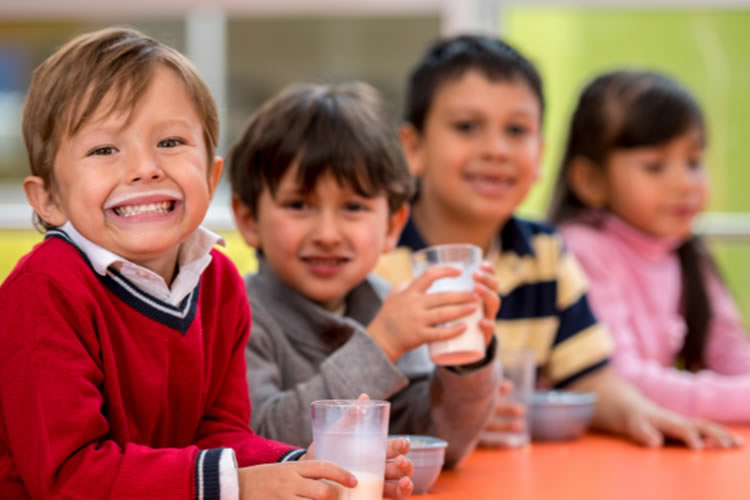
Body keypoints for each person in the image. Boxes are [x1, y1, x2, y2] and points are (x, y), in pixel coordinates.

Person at [0, 27, 412, 499]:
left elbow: (220, 435)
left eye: (171, 142)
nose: (145, 167)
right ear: (48, 198)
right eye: (104, 149)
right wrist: (242, 486)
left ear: (213, 175)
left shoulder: (218, 281)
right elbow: (67, 476)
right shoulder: (43, 291)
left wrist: (310, 467)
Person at [375, 34, 741, 449]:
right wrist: (451, 416)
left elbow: (590, 375)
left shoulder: (546, 254)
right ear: (414, 147)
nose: (495, 149)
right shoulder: (376, 257)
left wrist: (641, 413)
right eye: (467, 127)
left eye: (516, 130)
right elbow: (344, 393)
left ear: (540, 155)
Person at [229, 81, 501, 468]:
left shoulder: (382, 303)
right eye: (298, 205)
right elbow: (261, 442)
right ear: (248, 219)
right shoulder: (236, 316)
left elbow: (440, 443)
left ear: (393, 225)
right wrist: (382, 343)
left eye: (353, 207)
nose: (326, 234)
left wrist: (467, 362)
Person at [548, 69, 750, 423]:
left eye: (693, 162)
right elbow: (621, 381)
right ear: (590, 180)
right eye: (655, 166)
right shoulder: (582, 250)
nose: (686, 183)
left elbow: (731, 350)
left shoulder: (686, 252)